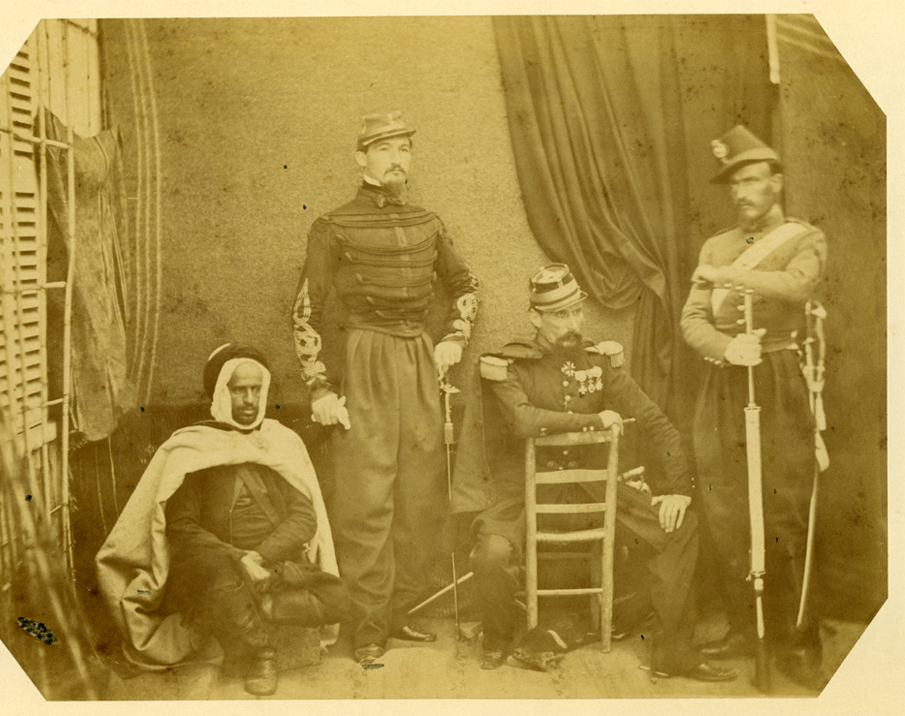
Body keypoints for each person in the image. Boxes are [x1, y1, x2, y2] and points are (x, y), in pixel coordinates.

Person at [450, 264, 736, 681]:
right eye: (559, 315)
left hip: (590, 488)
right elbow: (524, 420)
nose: (572, 323)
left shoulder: (598, 363)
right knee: (491, 554)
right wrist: (594, 421)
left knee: (678, 526)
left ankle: (672, 652)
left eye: (576, 312)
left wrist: (679, 489)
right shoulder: (511, 365)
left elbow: (656, 422)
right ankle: (497, 636)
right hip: (523, 492)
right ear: (535, 317)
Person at [292, 112, 480, 663]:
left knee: (420, 497)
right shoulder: (333, 226)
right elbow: (306, 311)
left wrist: (455, 336)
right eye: (384, 149)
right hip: (365, 359)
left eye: (404, 149)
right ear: (362, 158)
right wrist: (320, 387)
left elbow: (465, 285)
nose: (398, 159)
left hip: (420, 360)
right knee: (366, 499)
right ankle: (368, 628)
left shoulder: (427, 222)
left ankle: (400, 613)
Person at [96, 344, 349, 696]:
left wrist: (261, 557)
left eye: (256, 389)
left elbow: (305, 517)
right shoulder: (194, 448)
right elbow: (182, 528)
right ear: (221, 392)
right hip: (218, 565)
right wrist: (238, 558)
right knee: (220, 584)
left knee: (338, 597)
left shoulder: (279, 442)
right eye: (239, 389)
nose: (249, 399)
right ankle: (261, 654)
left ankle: (259, 604)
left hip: (271, 563)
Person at [680, 125, 827, 687]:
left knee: (786, 509)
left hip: (780, 380)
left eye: (752, 181)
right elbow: (693, 319)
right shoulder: (714, 246)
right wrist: (725, 347)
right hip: (725, 382)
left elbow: (795, 286)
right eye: (735, 184)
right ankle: (749, 627)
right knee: (727, 510)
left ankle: (800, 638)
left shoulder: (803, 238)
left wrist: (729, 277)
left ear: (776, 183)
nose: (742, 193)